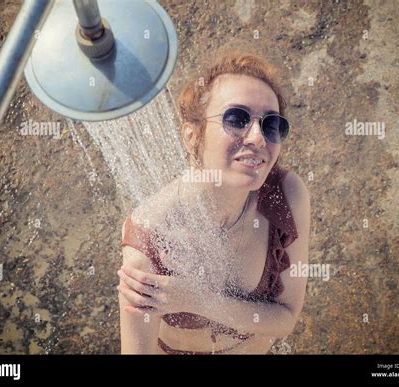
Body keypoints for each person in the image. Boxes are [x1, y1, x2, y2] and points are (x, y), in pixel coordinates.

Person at [117, 52, 311, 354]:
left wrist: (199, 301)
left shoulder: (286, 195)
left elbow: (285, 319)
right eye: (236, 119)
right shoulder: (151, 235)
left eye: (271, 125)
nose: (258, 139)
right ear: (192, 136)